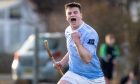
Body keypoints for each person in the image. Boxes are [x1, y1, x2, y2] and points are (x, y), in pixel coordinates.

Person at [54, 2, 105, 84]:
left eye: (75, 12)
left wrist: (77, 42)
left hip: (93, 78)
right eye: (69, 13)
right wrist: (62, 62)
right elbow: (72, 50)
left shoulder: (90, 33)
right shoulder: (68, 30)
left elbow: (87, 59)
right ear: (66, 17)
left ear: (81, 15)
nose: (72, 15)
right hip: (74, 73)